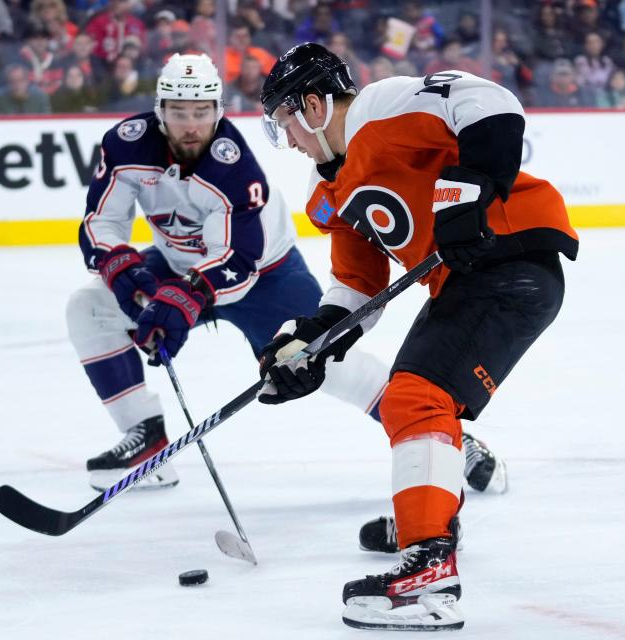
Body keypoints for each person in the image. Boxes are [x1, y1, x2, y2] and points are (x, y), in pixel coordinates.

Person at [67, 52, 508, 496]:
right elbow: (101, 222)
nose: (190, 125)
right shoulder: (126, 143)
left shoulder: (232, 164)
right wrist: (127, 277)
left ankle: (447, 436)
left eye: (201, 112)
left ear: (217, 111)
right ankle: (146, 438)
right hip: (178, 267)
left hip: (265, 277)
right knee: (89, 308)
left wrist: (179, 300)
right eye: (179, 112)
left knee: (330, 365)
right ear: (160, 110)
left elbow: (237, 262)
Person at [258, 43, 578, 630]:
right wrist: (311, 343)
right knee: (420, 402)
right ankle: (427, 523)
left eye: (286, 125)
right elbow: (357, 283)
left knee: (416, 396)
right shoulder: (325, 192)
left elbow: (492, 101)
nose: (291, 141)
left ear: (311, 105)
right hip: (468, 282)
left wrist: (471, 188)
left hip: (511, 257)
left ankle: (429, 573)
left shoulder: (379, 109)